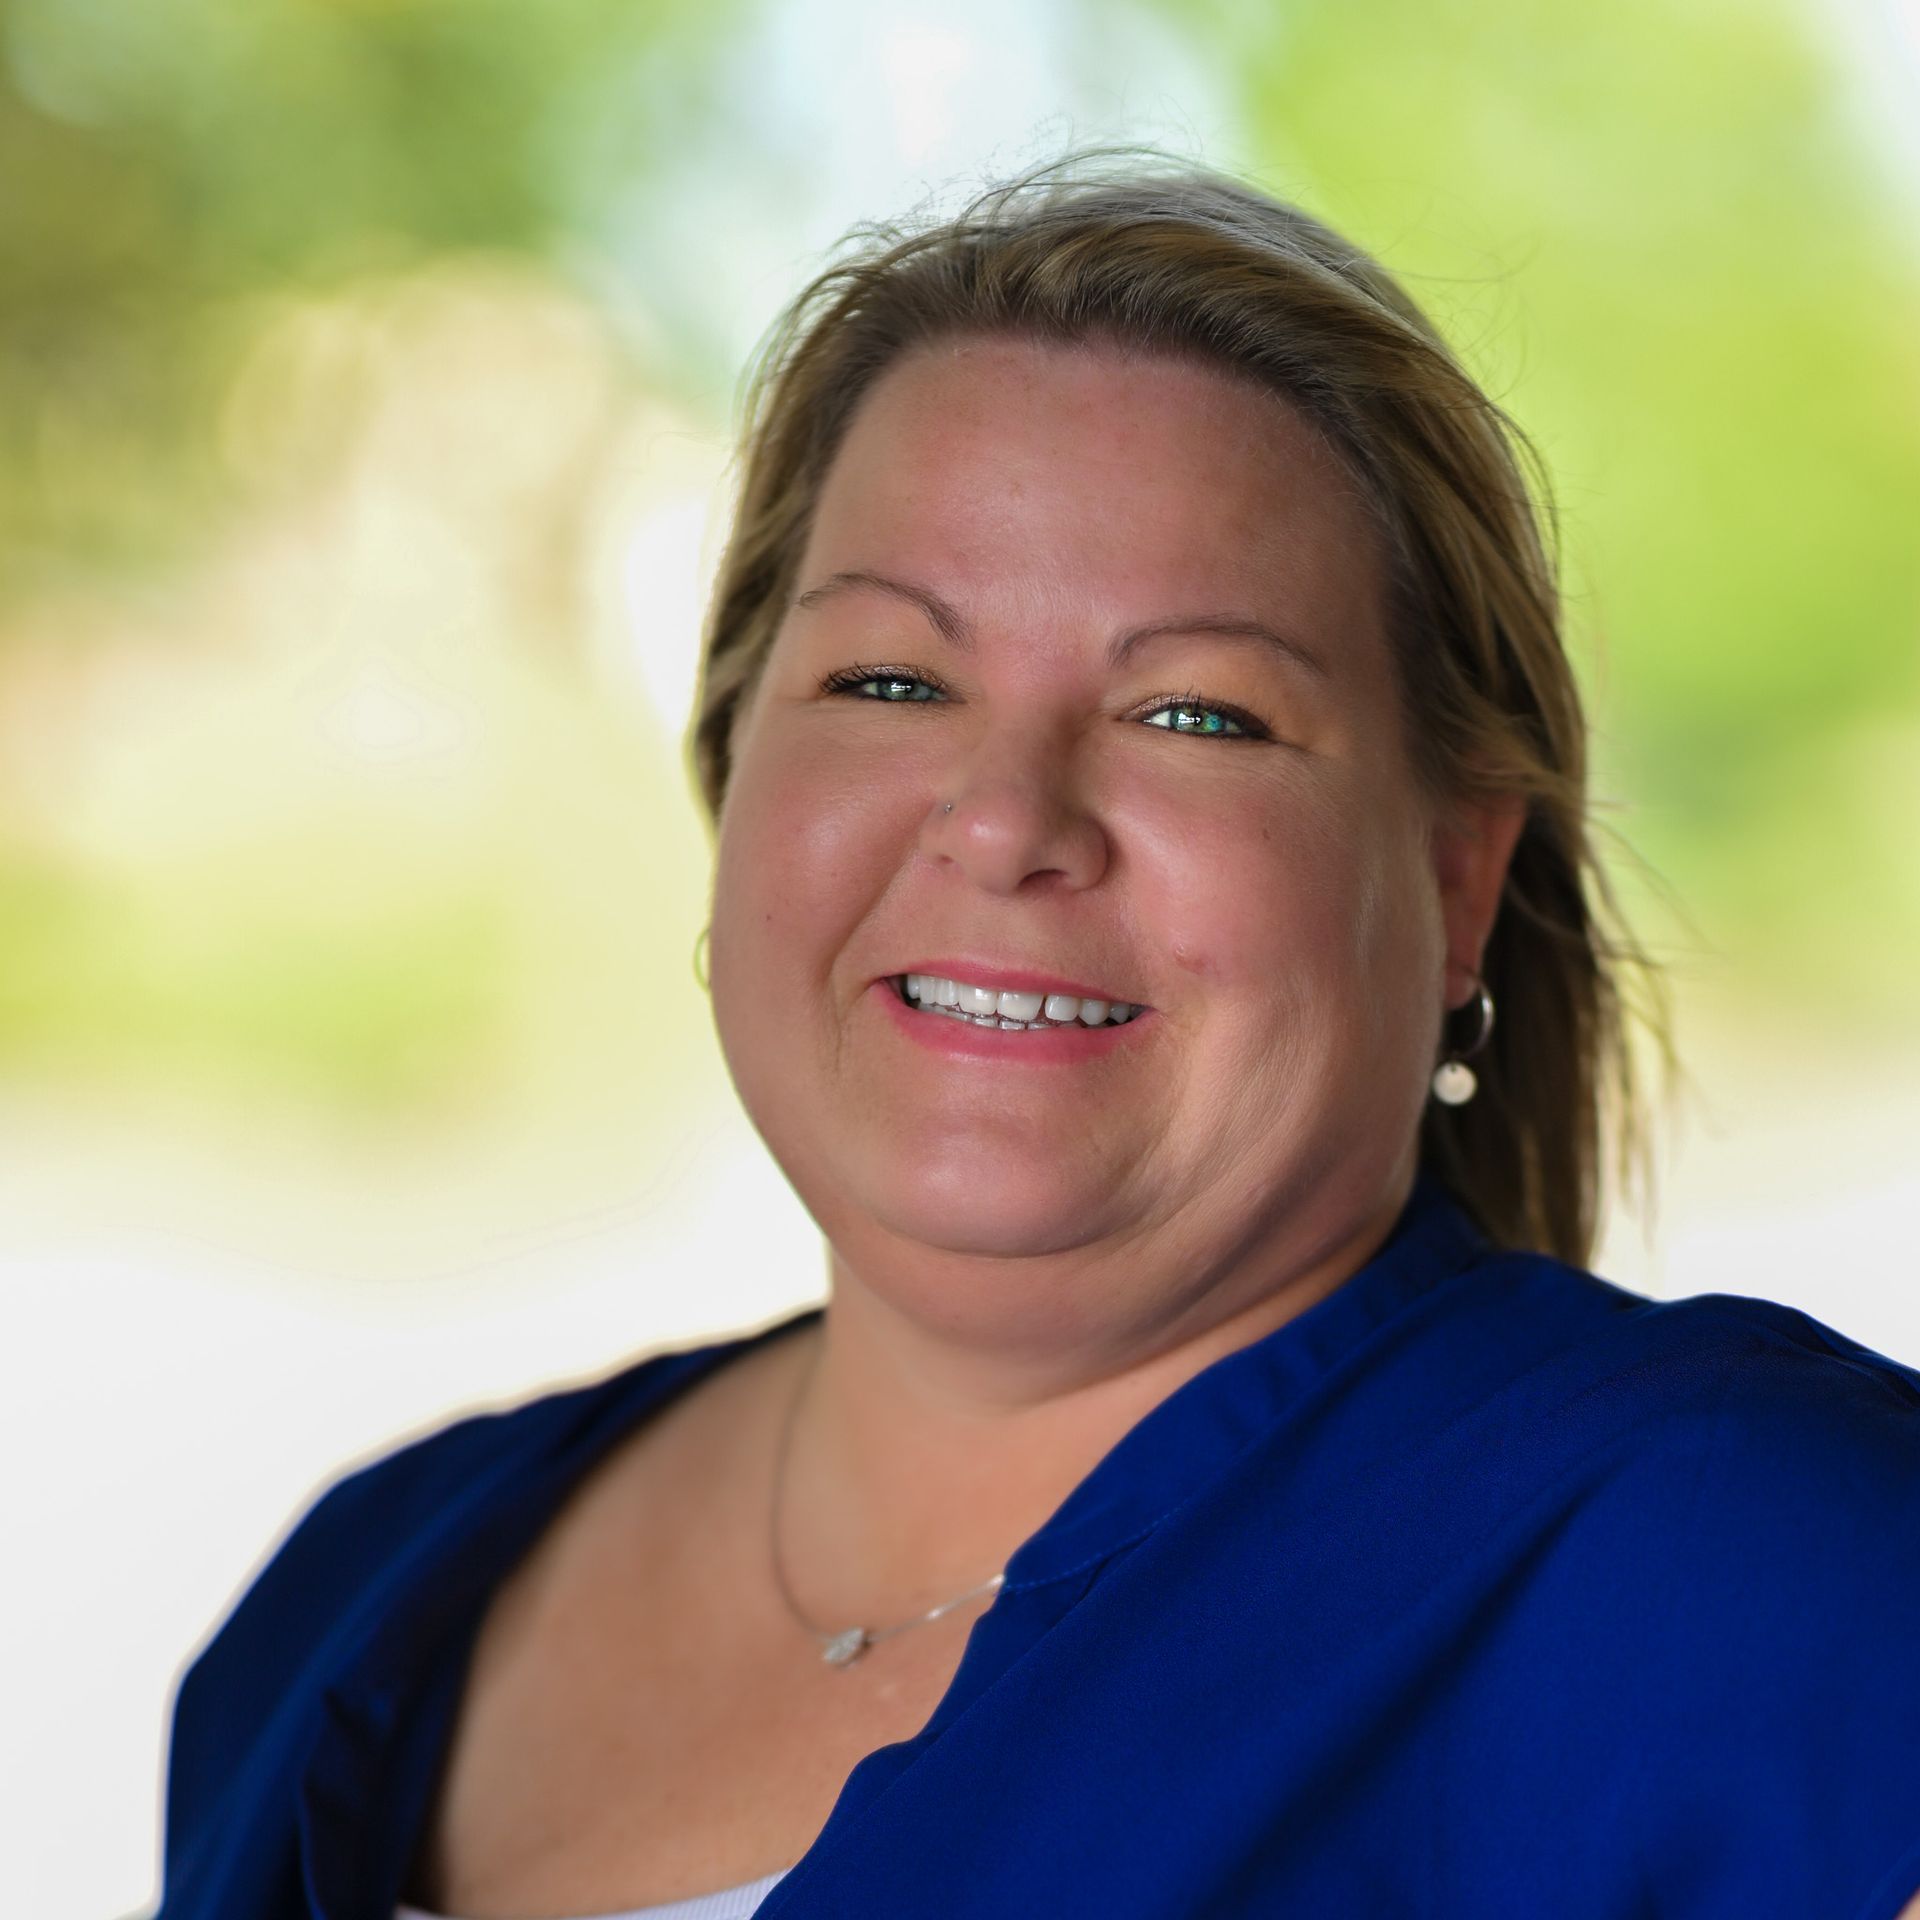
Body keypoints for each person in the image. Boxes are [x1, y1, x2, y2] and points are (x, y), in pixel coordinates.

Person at [150, 153, 1920, 1920]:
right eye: (891, 681)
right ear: (733, 777)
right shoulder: (349, 1595)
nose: (1005, 821)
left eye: (1197, 711)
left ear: (1457, 883)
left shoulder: (1780, 1582)